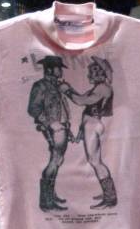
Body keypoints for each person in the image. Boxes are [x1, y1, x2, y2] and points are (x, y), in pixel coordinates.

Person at [61, 56, 116, 209]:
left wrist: (66, 91)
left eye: (91, 72)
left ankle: (110, 198)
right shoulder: (100, 87)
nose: (88, 75)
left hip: (92, 124)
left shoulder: (102, 88)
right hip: (90, 124)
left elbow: (81, 101)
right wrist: (70, 89)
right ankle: (108, 194)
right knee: (95, 161)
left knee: (95, 162)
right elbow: (83, 98)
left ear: (97, 73)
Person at [27, 55, 72, 212]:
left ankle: (50, 195)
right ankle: (46, 201)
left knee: (57, 161)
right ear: (51, 69)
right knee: (54, 161)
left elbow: (62, 110)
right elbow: (33, 109)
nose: (61, 71)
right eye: (59, 68)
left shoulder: (56, 86)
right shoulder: (40, 86)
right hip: (53, 129)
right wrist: (51, 123)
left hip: (62, 128)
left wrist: (67, 127)